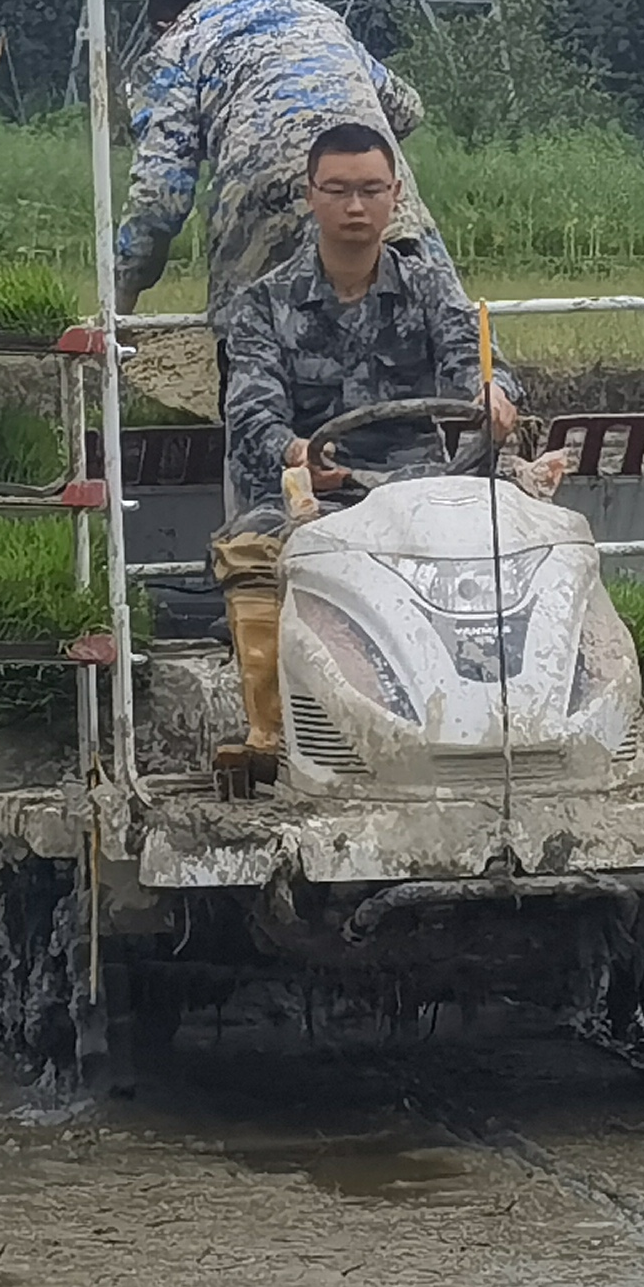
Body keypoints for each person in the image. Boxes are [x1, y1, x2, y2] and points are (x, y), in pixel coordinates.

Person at [204, 120, 530, 794]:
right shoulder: (262, 305)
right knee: (249, 545)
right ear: (310, 195)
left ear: (394, 195)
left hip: (427, 485)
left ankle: (517, 715)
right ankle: (269, 730)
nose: (356, 207)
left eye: (371, 190)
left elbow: (482, 365)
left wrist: (496, 396)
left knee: (526, 529)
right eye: (340, 190)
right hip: (316, 494)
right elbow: (251, 412)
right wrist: (296, 451)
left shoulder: (429, 287)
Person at [111, 0, 432, 317]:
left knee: (254, 336)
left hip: (264, 190)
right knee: (427, 320)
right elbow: (407, 110)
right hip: (373, 185)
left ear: (160, 25)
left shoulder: (175, 44)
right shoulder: (310, 14)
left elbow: (160, 194)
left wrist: (121, 294)